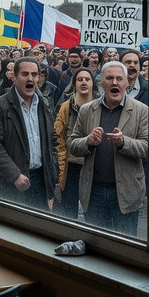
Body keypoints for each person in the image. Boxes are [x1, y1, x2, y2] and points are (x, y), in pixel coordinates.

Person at [69, 61, 149, 235]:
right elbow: (73, 145)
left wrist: (124, 143)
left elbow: (147, 147)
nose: (114, 83)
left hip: (126, 193)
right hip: (94, 192)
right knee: (96, 245)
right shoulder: (86, 110)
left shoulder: (141, 111)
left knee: (125, 247)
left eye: (119, 79)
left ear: (127, 83)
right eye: (109, 78)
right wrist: (88, 142)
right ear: (101, 83)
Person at [0, 57, 58, 210]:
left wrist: (52, 179)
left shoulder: (45, 104)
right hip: (13, 183)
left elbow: (53, 142)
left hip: (41, 180)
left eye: (34, 74)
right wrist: (14, 175)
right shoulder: (0, 105)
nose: (30, 79)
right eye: (25, 74)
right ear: (14, 77)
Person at [54, 67, 96, 219]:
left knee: (92, 210)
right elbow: (58, 137)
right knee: (69, 210)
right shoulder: (66, 107)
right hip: (70, 166)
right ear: (74, 84)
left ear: (93, 83)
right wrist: (60, 164)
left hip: (92, 165)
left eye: (87, 79)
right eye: (80, 79)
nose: (84, 82)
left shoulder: (100, 106)